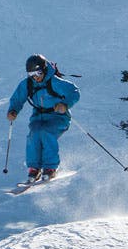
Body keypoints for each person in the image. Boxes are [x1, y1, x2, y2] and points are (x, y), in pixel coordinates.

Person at [6, 54, 80, 182]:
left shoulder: (54, 81)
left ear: (44, 70)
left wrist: (65, 104)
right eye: (31, 74)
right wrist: (13, 110)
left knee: (46, 132)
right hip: (38, 117)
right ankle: (34, 168)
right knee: (34, 134)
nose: (36, 77)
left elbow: (74, 91)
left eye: (38, 73)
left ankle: (50, 168)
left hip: (58, 116)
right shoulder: (28, 84)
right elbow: (17, 98)